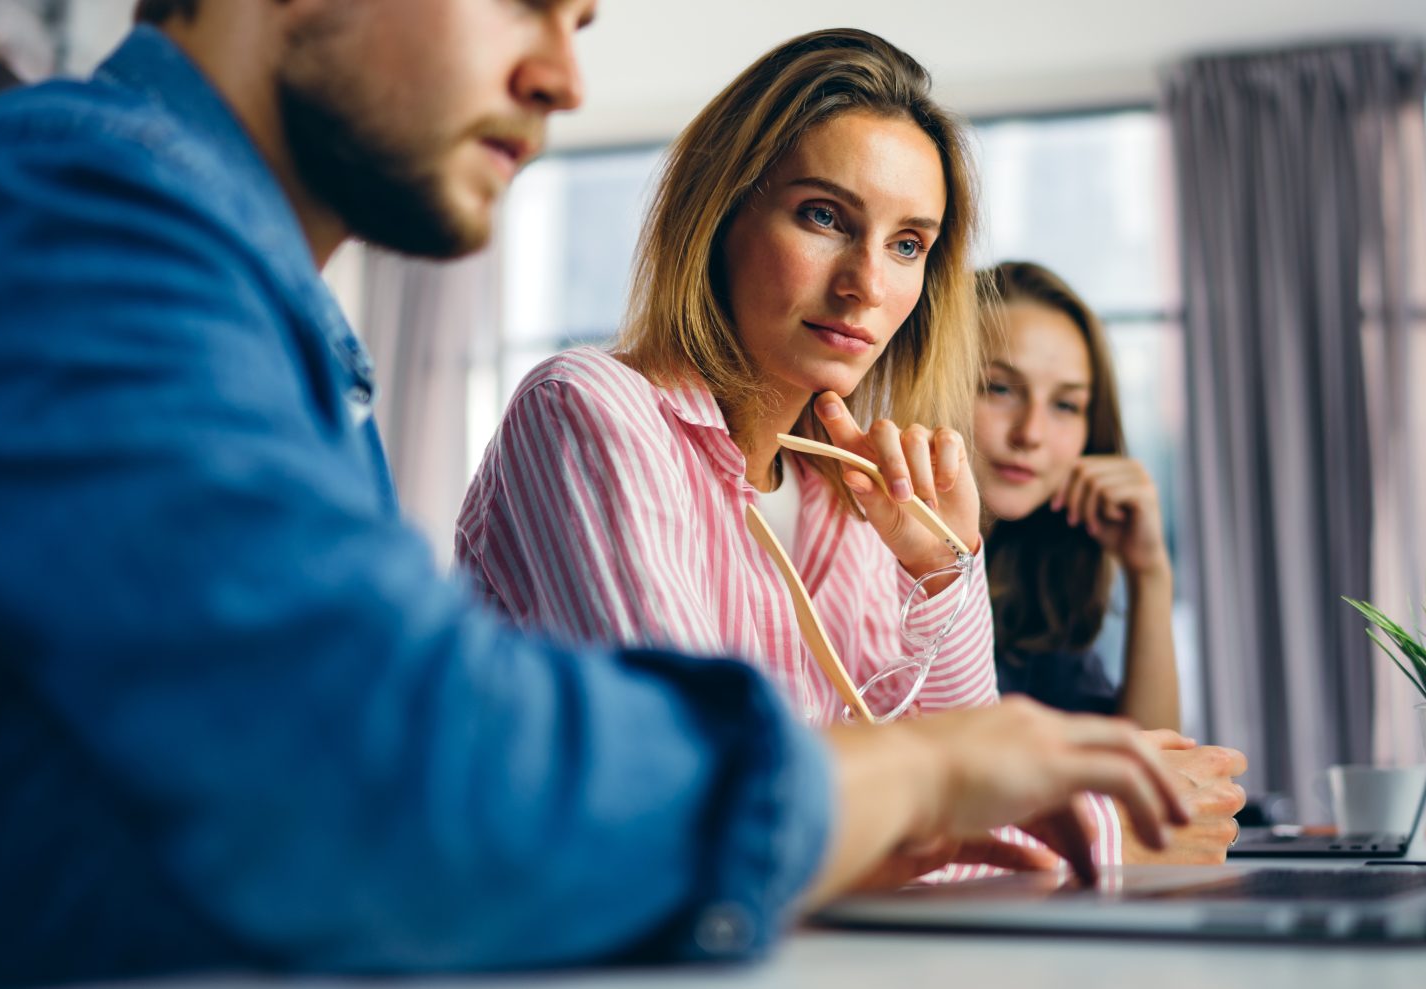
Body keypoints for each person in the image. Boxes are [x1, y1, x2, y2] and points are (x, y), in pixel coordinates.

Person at [0, 2, 1189, 987]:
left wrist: (948, 665)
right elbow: (411, 770)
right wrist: (924, 770)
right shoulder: (64, 217)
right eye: (519, 4)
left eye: (579, 22)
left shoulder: (273, 332)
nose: (562, 78)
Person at [456, 28, 1211, 881]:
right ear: (720, 213)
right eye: (823, 216)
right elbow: (713, 806)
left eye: (907, 244)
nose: (866, 285)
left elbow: (957, 819)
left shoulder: (850, 501)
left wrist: (944, 569)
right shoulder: (591, 410)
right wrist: (1104, 828)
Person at [972, 260, 1246, 862]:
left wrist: (1149, 573)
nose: (1031, 433)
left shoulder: (1029, 580)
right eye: (998, 388)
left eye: (1066, 406)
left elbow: (1150, 781)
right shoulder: (876, 561)